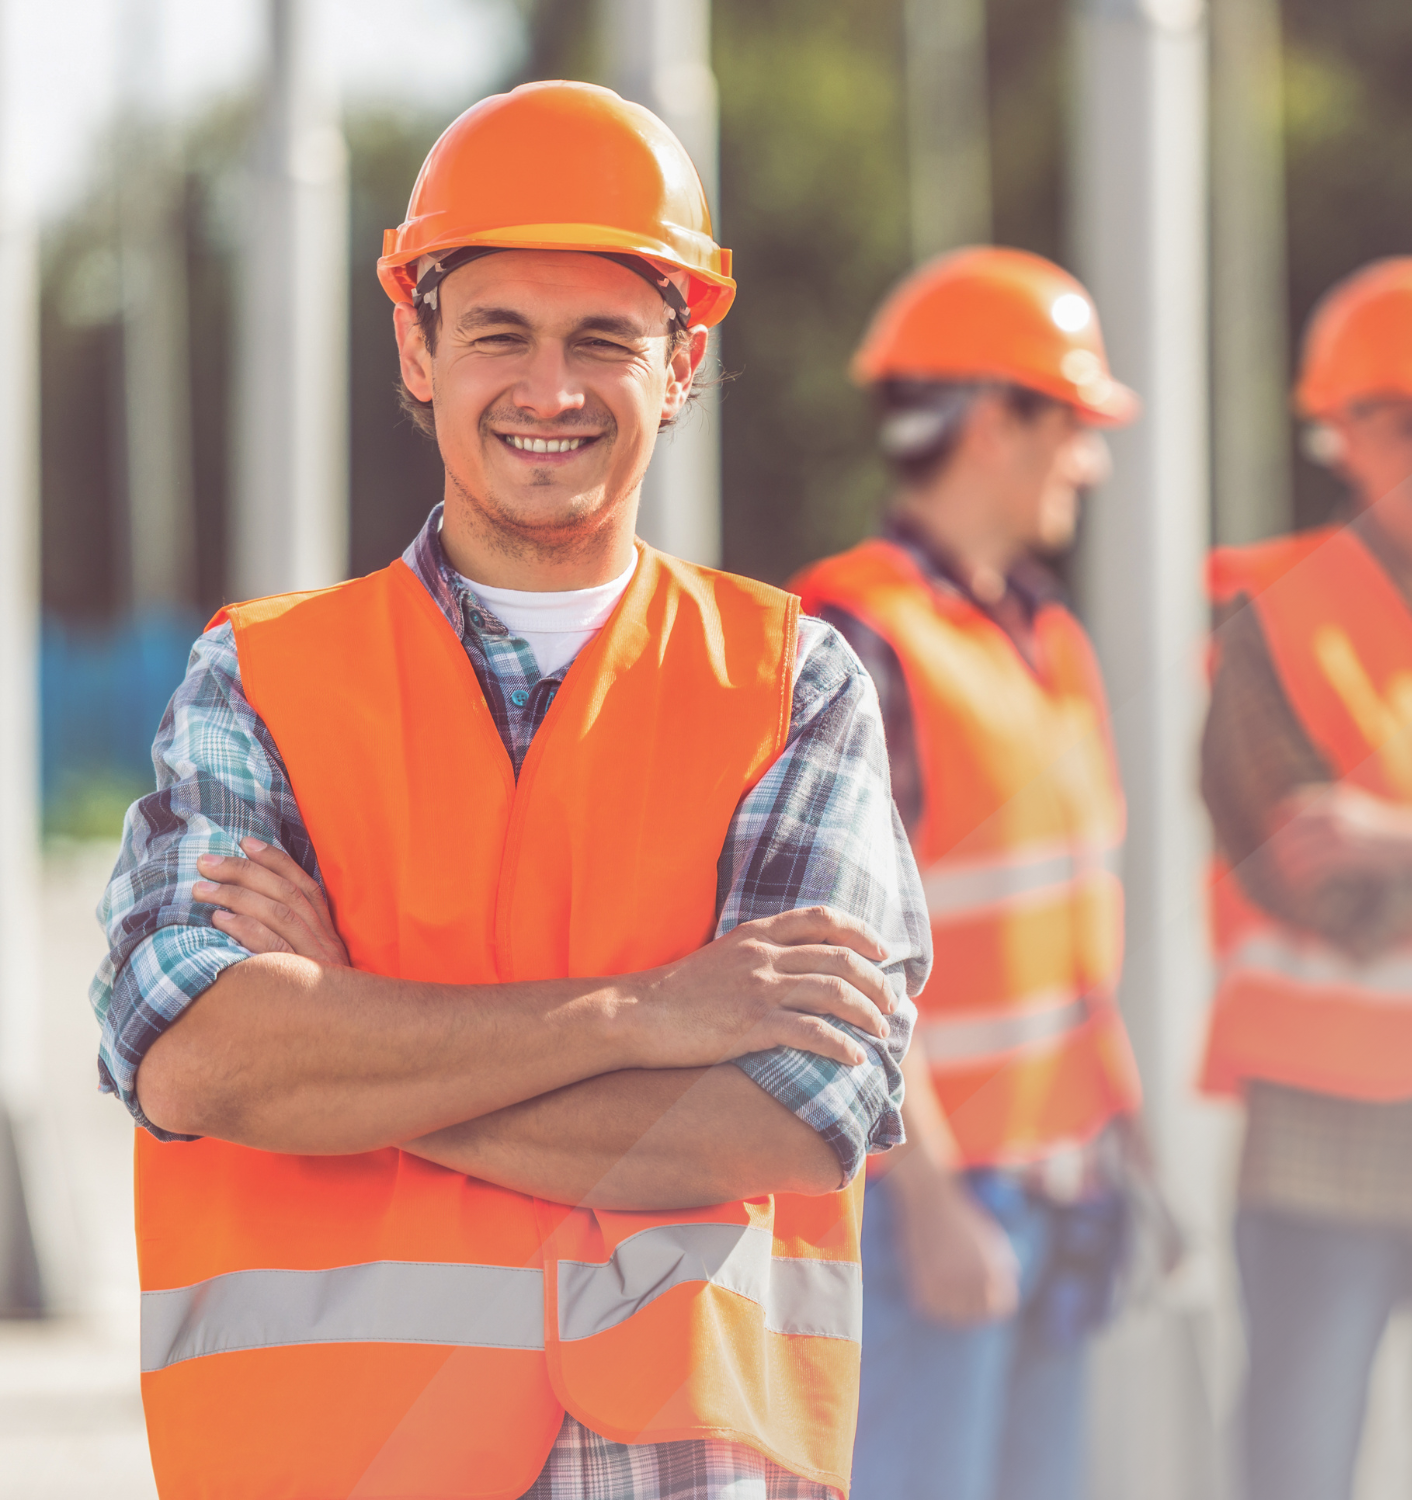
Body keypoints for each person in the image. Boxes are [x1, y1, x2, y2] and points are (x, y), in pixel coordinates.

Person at [90, 82, 929, 1500]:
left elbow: (790, 1111)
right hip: (339, 1465)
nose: (549, 391)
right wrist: (647, 1016)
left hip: (685, 1466)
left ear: (680, 364)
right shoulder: (262, 679)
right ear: (416, 348)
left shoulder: (794, 683)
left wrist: (348, 1043)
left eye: (603, 341)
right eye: (498, 335)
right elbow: (193, 1058)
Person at [790, 247, 1152, 1500]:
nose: (1090, 462)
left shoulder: (1043, 634)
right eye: (1075, 427)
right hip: (931, 1197)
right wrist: (930, 1195)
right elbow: (840, 951)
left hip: (1065, 1176)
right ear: (997, 425)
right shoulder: (858, 638)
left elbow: (1068, 931)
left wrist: (1128, 1141)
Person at [1199, 256, 1412, 1500]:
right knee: (1299, 1470)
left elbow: (1374, 866)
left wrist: (1411, 840)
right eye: (1410, 422)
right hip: (1323, 1128)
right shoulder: (1268, 619)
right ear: (1341, 435)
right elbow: (1322, 889)